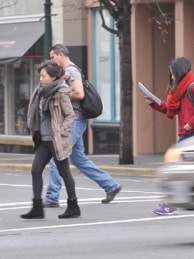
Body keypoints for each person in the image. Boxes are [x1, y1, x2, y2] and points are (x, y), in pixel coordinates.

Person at [44, 44, 122, 208]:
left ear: (60, 55)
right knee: (79, 160)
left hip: (74, 120)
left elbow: (79, 93)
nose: (51, 60)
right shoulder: (65, 73)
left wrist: (59, 95)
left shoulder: (71, 71)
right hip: (75, 120)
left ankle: (52, 196)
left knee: (58, 154)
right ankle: (111, 185)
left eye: (52, 57)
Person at [144, 56, 194, 215]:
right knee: (188, 170)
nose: (171, 77)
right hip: (187, 133)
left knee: (175, 168)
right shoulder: (180, 90)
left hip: (192, 134)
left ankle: (170, 205)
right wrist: (154, 103)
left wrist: (192, 123)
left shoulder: (193, 87)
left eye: (172, 73)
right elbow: (172, 109)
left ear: (179, 72)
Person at [21, 61, 80, 219]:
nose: (40, 79)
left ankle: (73, 206)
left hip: (56, 140)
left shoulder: (60, 92)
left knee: (64, 172)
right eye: (40, 75)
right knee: (35, 171)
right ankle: (37, 208)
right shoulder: (39, 92)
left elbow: (70, 115)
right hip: (43, 140)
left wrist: (62, 131)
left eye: (43, 76)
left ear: (53, 77)